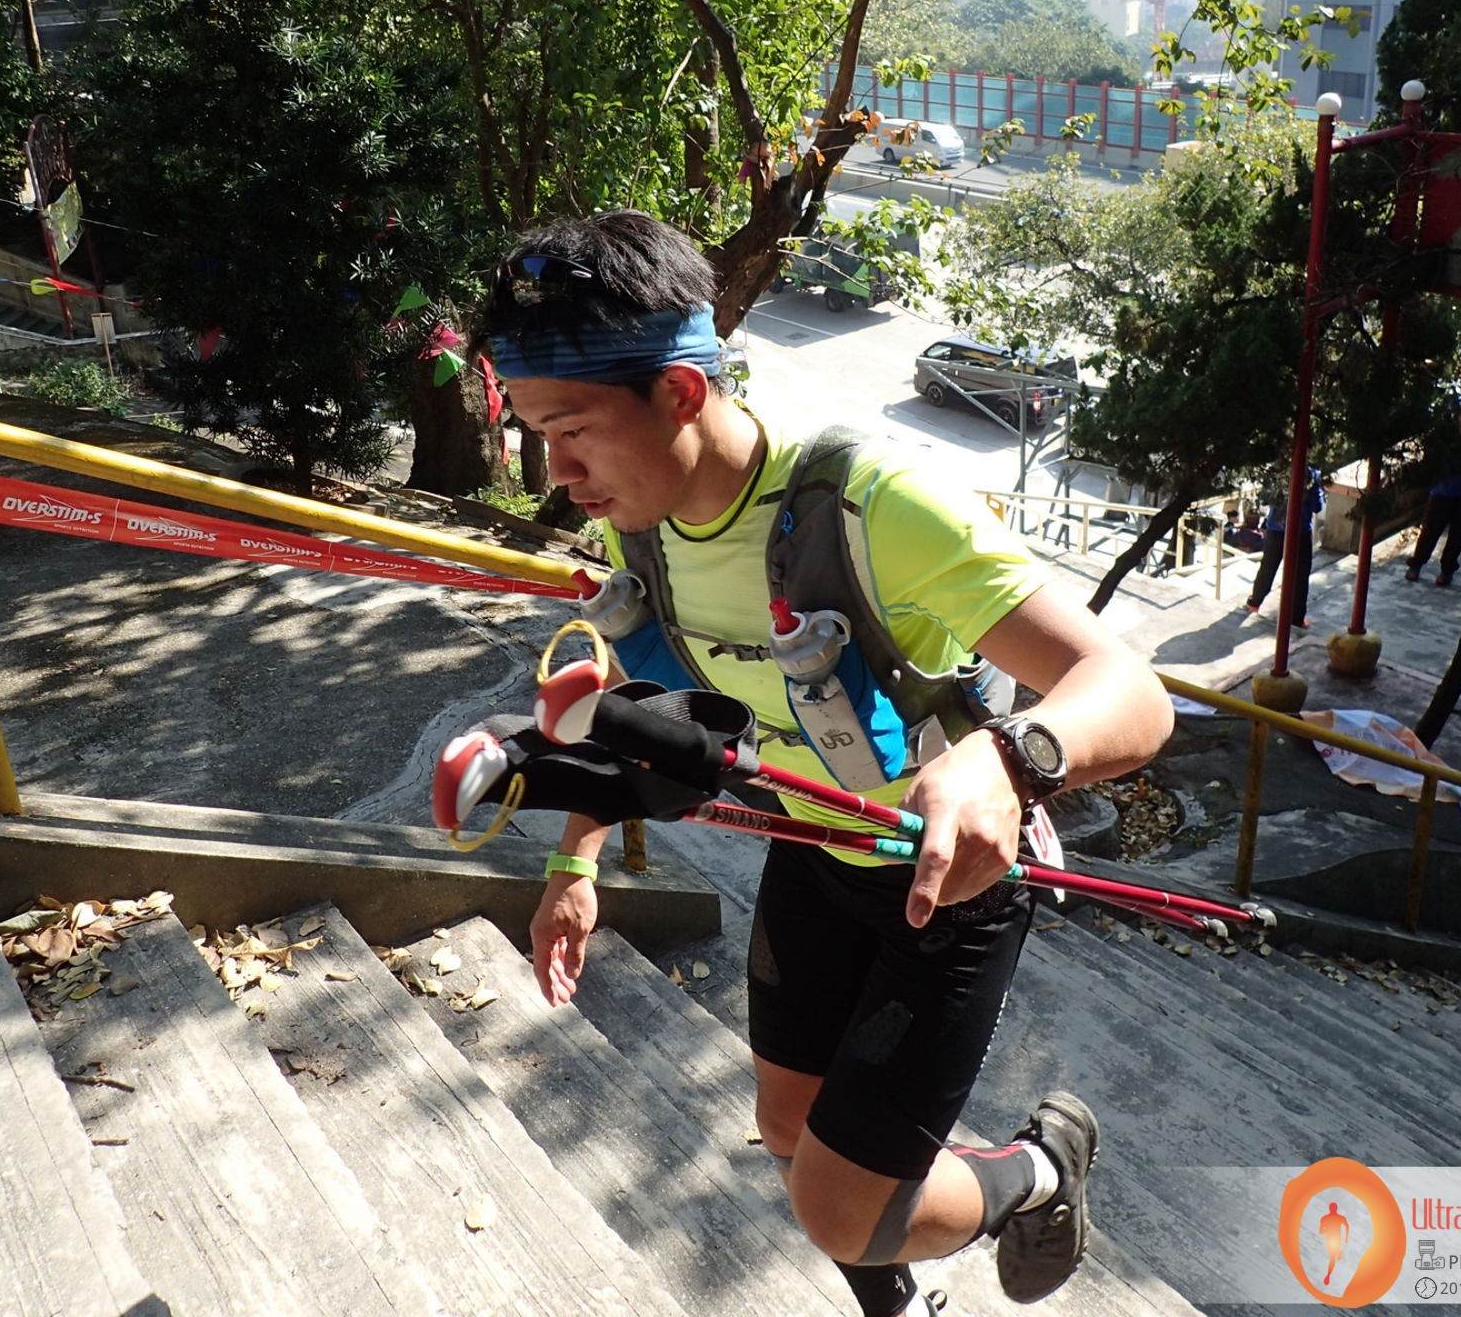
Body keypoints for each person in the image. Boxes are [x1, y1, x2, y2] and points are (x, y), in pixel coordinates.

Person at [480, 211, 1174, 1317]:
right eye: (536, 434)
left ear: (680, 392)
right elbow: (627, 690)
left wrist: (1012, 759)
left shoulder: (872, 506)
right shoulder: (640, 516)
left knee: (839, 1210)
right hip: (812, 848)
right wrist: (576, 861)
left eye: (572, 434)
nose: (558, 476)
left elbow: (1130, 689)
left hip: (952, 886)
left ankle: (1040, 1169)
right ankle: (899, 1293)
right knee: (787, 1130)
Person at [1406, 396, 1461, 587]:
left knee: (1458, 535)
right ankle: (1416, 565)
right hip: (1442, 492)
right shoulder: (1442, 436)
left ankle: (1447, 570)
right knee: (1429, 532)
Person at [1244, 467, 1324, 627]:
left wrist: (1304, 497)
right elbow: (1317, 506)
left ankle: (1258, 603)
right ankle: (1293, 617)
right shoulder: (1309, 475)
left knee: (1276, 569)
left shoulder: (1283, 472)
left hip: (1287, 530)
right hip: (1292, 531)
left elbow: (1317, 506)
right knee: (1290, 573)